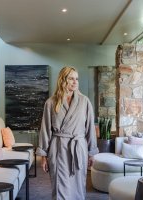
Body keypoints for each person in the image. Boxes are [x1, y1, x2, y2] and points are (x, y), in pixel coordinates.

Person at [36, 66, 99, 200]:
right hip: (59, 148)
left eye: (77, 79)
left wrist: (91, 152)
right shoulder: (51, 103)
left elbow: (90, 129)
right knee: (60, 189)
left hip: (78, 148)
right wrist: (43, 156)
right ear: (63, 80)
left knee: (78, 188)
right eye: (71, 78)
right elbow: (45, 129)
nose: (75, 82)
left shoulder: (84, 102)